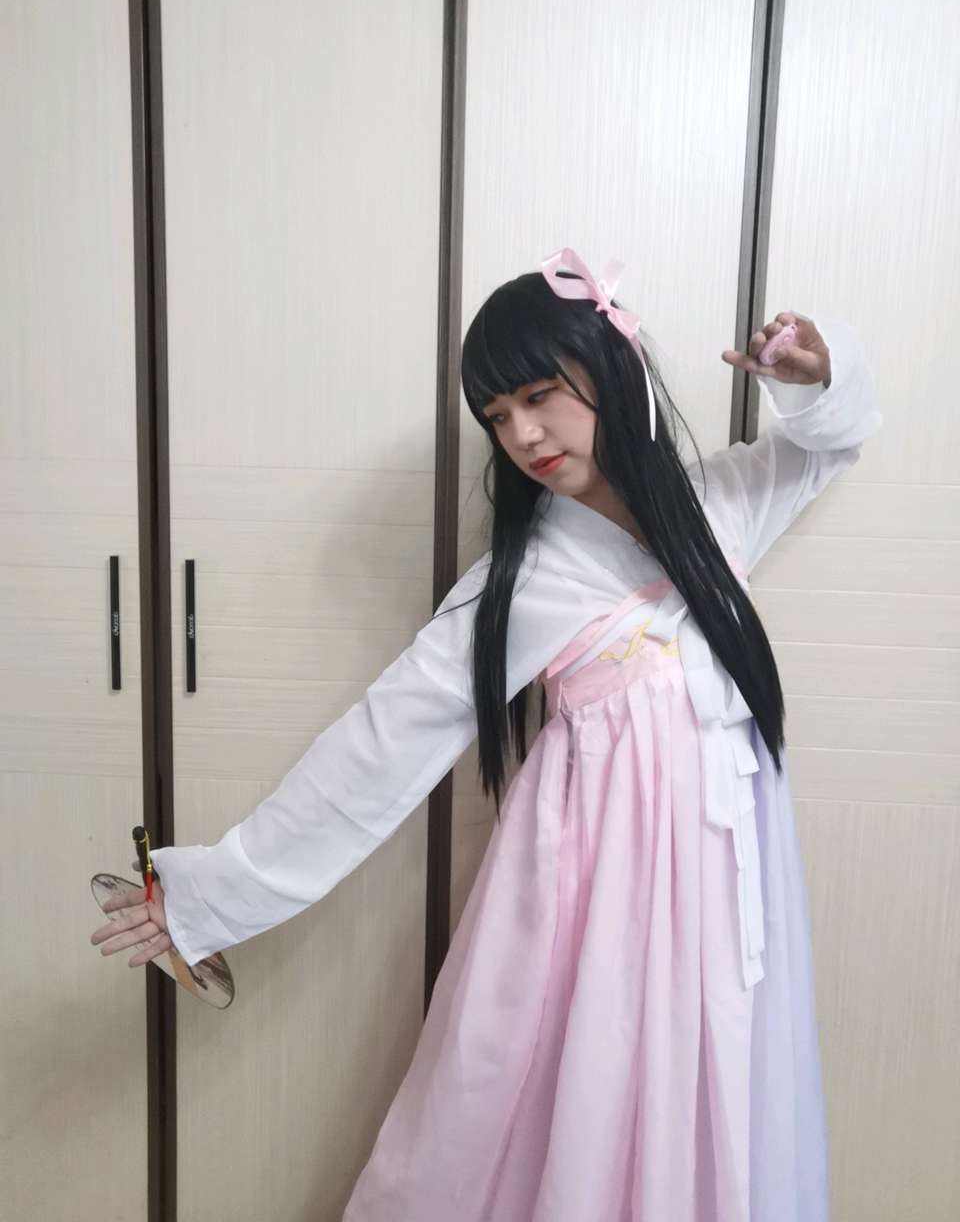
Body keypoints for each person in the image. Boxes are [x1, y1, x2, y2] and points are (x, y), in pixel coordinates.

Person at [91, 247, 882, 1220]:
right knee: (573, 1109)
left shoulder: (716, 510)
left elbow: (825, 447)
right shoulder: (527, 580)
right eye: (498, 417)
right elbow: (378, 749)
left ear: (612, 369)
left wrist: (815, 376)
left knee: (717, 1093)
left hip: (728, 885)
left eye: (540, 396)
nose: (523, 434)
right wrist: (215, 893)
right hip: (602, 898)